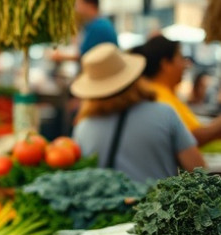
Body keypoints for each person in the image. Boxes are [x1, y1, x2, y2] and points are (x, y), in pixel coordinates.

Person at [71, 43, 203, 183]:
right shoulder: (164, 114)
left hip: (105, 205)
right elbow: (199, 172)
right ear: (133, 77)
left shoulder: (82, 128)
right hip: (157, 204)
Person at [133, 35, 221, 146]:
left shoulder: (162, 94)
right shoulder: (157, 97)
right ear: (166, 64)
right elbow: (188, 139)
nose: (187, 64)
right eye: (181, 58)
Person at [51, 0, 118, 63]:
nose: (77, 9)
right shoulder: (97, 23)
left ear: (90, 5)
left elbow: (83, 56)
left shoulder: (98, 27)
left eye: (79, 4)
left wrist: (60, 56)